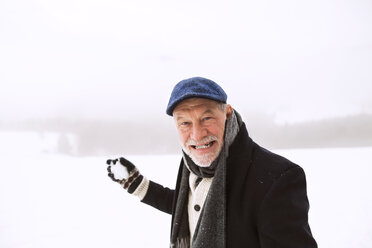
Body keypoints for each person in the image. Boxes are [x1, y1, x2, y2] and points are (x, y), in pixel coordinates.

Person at [106, 77, 318, 248]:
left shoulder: (277, 178)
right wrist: (139, 186)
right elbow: (191, 206)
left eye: (206, 118)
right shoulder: (192, 165)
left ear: (227, 113)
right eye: (185, 123)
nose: (197, 135)